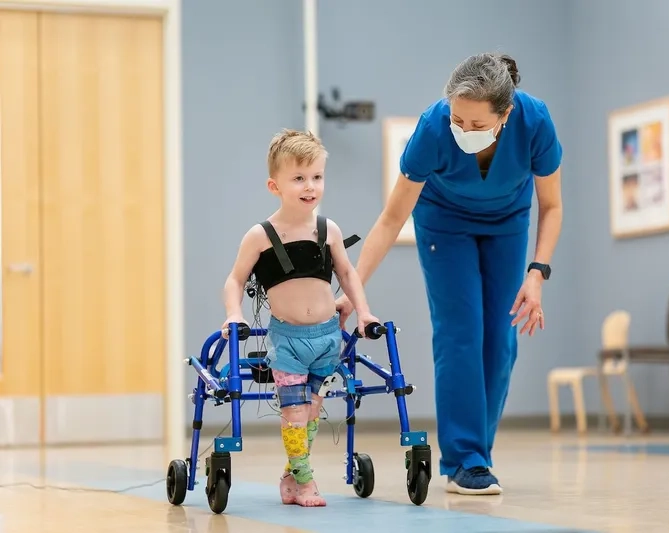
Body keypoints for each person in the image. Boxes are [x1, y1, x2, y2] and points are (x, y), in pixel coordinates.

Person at [335, 53, 563, 495]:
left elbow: (551, 207)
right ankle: (466, 462)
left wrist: (537, 274)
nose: (465, 132)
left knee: (501, 338)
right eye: (459, 120)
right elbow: (390, 218)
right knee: (461, 331)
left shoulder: (534, 121)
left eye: (478, 126)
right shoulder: (433, 127)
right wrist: (353, 290)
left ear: (505, 114)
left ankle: (477, 452)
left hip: (508, 223)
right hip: (443, 222)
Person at [221, 129, 380, 507]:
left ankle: (291, 479)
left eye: (317, 177)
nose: (310, 186)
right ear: (274, 185)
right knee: (293, 413)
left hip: (327, 337)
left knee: (310, 414)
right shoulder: (260, 235)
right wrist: (233, 314)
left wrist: (363, 310)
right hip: (288, 341)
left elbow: (347, 274)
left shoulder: (329, 230)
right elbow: (234, 280)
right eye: (299, 178)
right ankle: (306, 483)